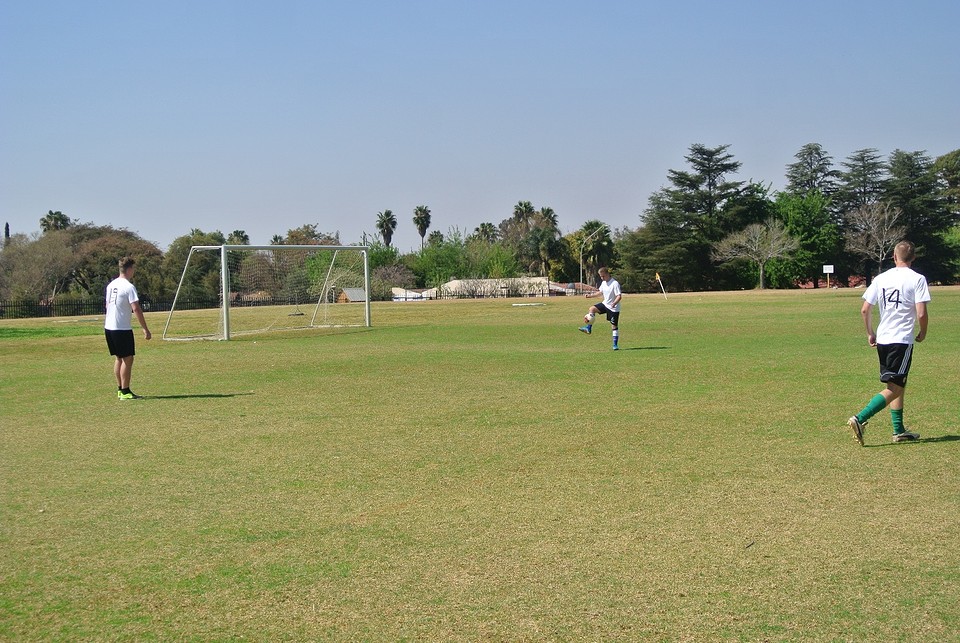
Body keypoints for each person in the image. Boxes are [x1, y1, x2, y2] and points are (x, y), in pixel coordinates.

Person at [848, 241, 930, 445]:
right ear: (913, 258)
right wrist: (923, 332)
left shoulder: (881, 278)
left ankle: (899, 430)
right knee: (895, 388)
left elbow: (865, 309)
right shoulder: (917, 279)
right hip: (901, 340)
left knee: (897, 383)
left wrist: (870, 333)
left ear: (894, 257)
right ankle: (860, 418)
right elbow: (921, 312)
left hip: (884, 339)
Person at [104, 256, 151, 400]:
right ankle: (125, 392)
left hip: (109, 327)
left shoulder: (111, 285)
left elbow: (107, 305)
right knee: (128, 359)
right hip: (121, 328)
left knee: (119, 358)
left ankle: (120, 389)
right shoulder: (129, 287)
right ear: (129, 269)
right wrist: (145, 328)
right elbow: (136, 308)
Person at [579, 266, 622, 350]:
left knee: (614, 326)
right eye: (600, 276)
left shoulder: (615, 283)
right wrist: (590, 296)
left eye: (603, 276)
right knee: (592, 309)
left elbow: (619, 296)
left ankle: (615, 345)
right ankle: (588, 328)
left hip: (613, 308)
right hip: (605, 304)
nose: (602, 278)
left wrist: (614, 303)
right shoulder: (603, 283)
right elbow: (600, 292)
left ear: (607, 274)